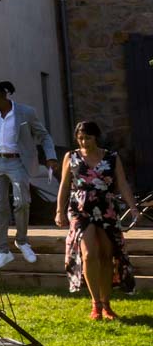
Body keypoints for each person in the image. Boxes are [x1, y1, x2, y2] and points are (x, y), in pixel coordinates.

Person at [55, 120, 137, 319]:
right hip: (80, 210)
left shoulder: (111, 157)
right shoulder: (71, 157)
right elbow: (65, 185)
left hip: (106, 208)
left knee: (106, 255)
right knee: (89, 254)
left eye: (88, 138)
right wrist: (59, 210)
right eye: (80, 138)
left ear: (96, 137)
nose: (84, 141)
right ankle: (95, 304)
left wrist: (133, 208)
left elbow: (123, 184)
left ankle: (107, 304)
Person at [0, 80, 58, 269]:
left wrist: (50, 156)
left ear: (3, 96)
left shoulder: (26, 112)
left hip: (18, 161)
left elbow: (44, 135)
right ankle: (3, 251)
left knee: (22, 202)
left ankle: (22, 240)